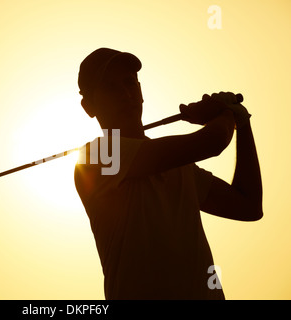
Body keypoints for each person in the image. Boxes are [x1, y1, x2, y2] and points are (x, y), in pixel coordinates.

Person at [74, 48, 263, 300]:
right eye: (110, 87)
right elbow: (212, 141)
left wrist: (243, 123)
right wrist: (226, 113)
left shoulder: (180, 166)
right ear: (89, 107)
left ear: (141, 90)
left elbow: (249, 206)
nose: (125, 94)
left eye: (130, 83)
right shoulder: (95, 158)